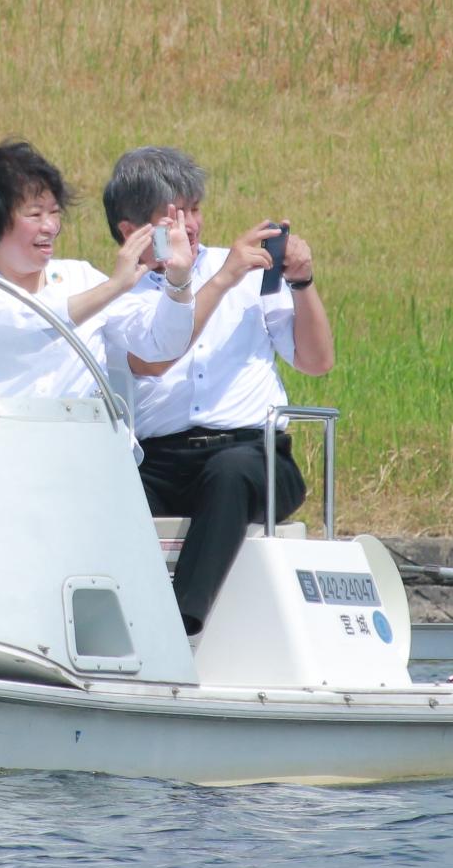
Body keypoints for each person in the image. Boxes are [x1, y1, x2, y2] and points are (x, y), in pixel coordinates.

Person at [100, 146, 336, 637]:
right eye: (174, 216)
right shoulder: (118, 294)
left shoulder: (245, 273)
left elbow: (316, 362)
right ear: (131, 231)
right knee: (106, 500)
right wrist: (221, 279)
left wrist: (302, 281)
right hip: (161, 459)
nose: (190, 226)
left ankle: (179, 625)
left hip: (255, 453)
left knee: (229, 473)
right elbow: (156, 356)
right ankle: (105, 629)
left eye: (196, 210)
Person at [0, 139, 196, 401]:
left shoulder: (80, 277)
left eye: (54, 212)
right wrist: (114, 287)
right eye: (35, 215)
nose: (50, 226)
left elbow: (160, 344)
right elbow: (31, 327)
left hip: (87, 437)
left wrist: (178, 279)